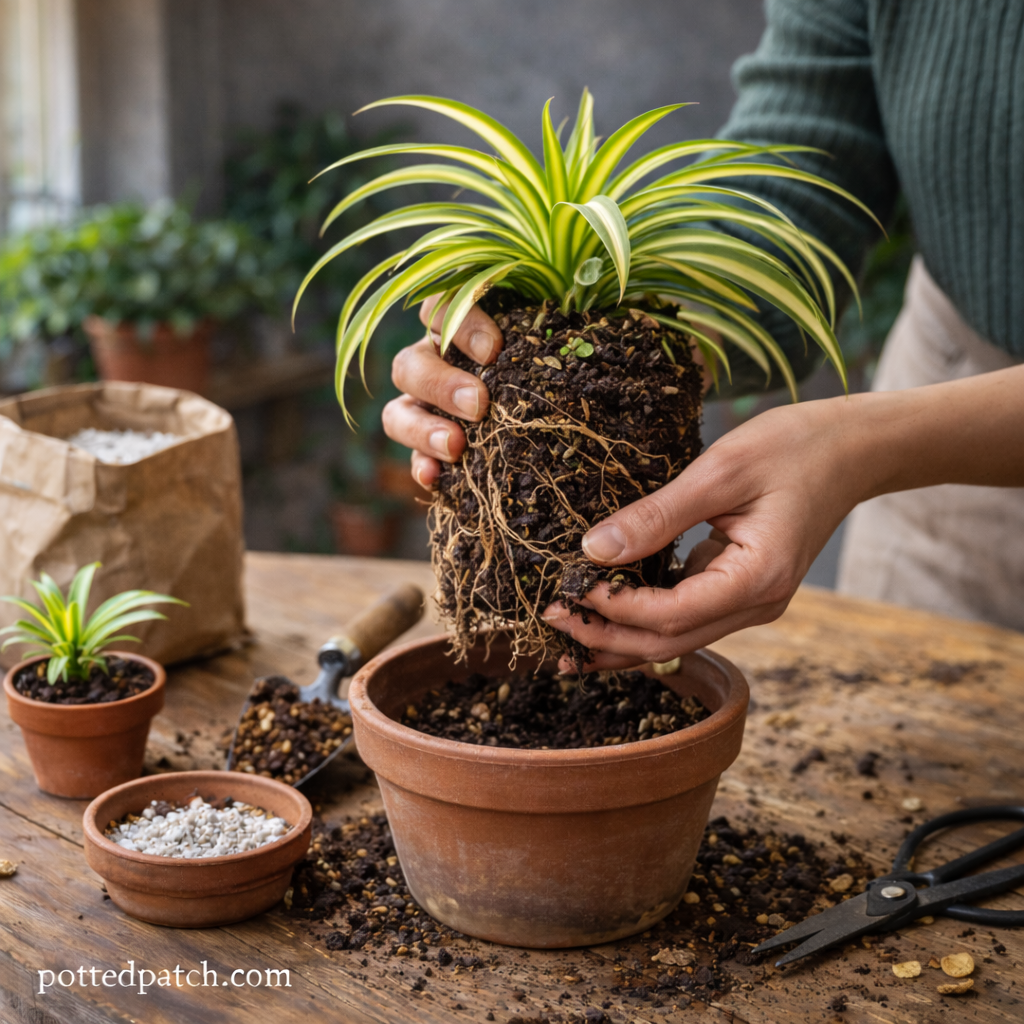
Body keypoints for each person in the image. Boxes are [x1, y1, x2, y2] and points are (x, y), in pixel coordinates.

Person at [382, 0, 1024, 672]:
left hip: (918, 427)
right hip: (965, 360)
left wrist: (861, 448)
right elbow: (807, 165)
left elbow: (861, 446)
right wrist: (646, 340)